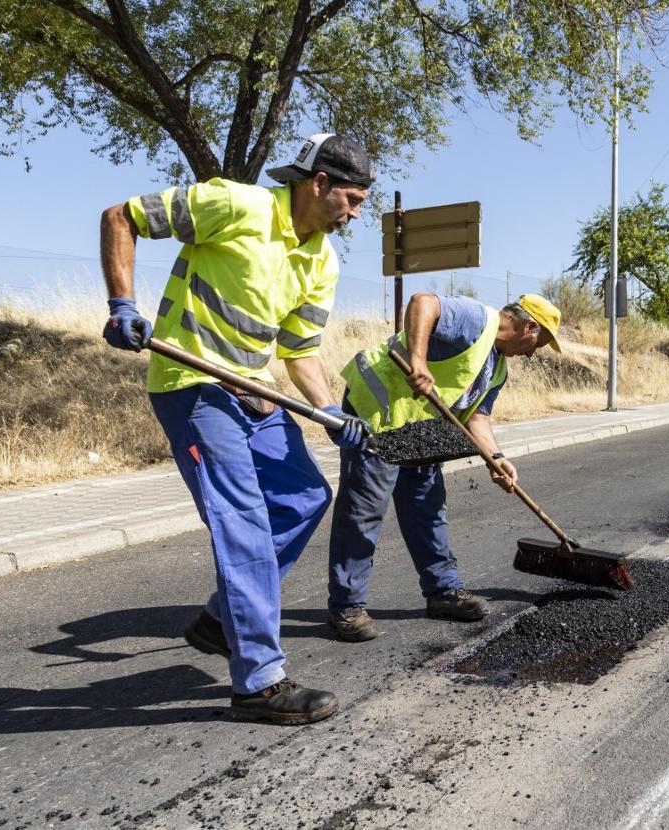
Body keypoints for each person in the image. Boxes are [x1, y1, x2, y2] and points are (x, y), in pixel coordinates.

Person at [99, 133, 372, 725]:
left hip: (252, 391)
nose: (353, 214)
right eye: (349, 199)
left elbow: (300, 351)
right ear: (317, 182)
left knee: (304, 498)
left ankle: (222, 618)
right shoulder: (237, 204)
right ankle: (259, 682)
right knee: (243, 520)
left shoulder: (324, 259)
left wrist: (331, 413)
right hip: (191, 387)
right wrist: (122, 303)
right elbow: (122, 216)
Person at [325, 292, 562, 642]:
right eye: (537, 344)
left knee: (427, 505)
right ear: (529, 326)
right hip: (377, 411)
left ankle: (443, 592)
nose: (532, 353)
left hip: (418, 427)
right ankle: (346, 605)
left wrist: (495, 458)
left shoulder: (497, 369)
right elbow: (423, 302)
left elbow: (478, 417)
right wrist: (418, 361)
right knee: (365, 509)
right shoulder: (476, 320)